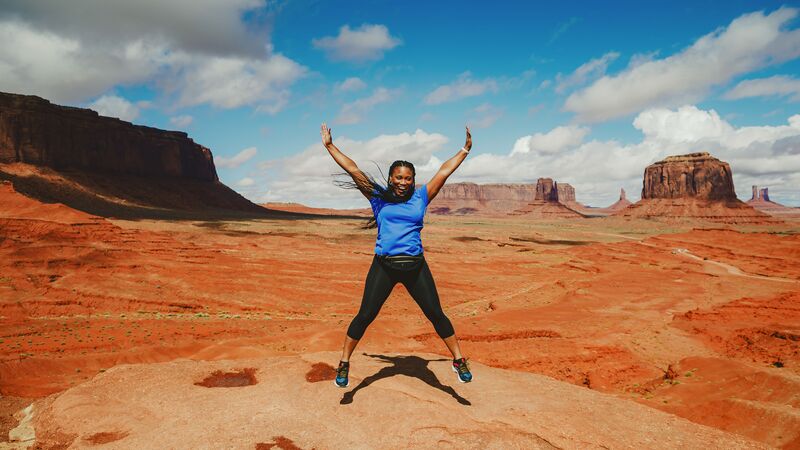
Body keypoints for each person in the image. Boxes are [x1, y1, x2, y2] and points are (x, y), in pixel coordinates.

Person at [320, 122, 474, 388]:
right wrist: (330, 146)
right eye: (399, 177)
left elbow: (444, 171)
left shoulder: (422, 197)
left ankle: (458, 360)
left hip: (415, 267)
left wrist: (464, 149)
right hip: (384, 266)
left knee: (436, 314)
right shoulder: (378, 198)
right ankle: (344, 362)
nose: (403, 182)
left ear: (413, 180)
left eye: (408, 178)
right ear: (391, 178)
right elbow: (353, 168)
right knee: (366, 315)